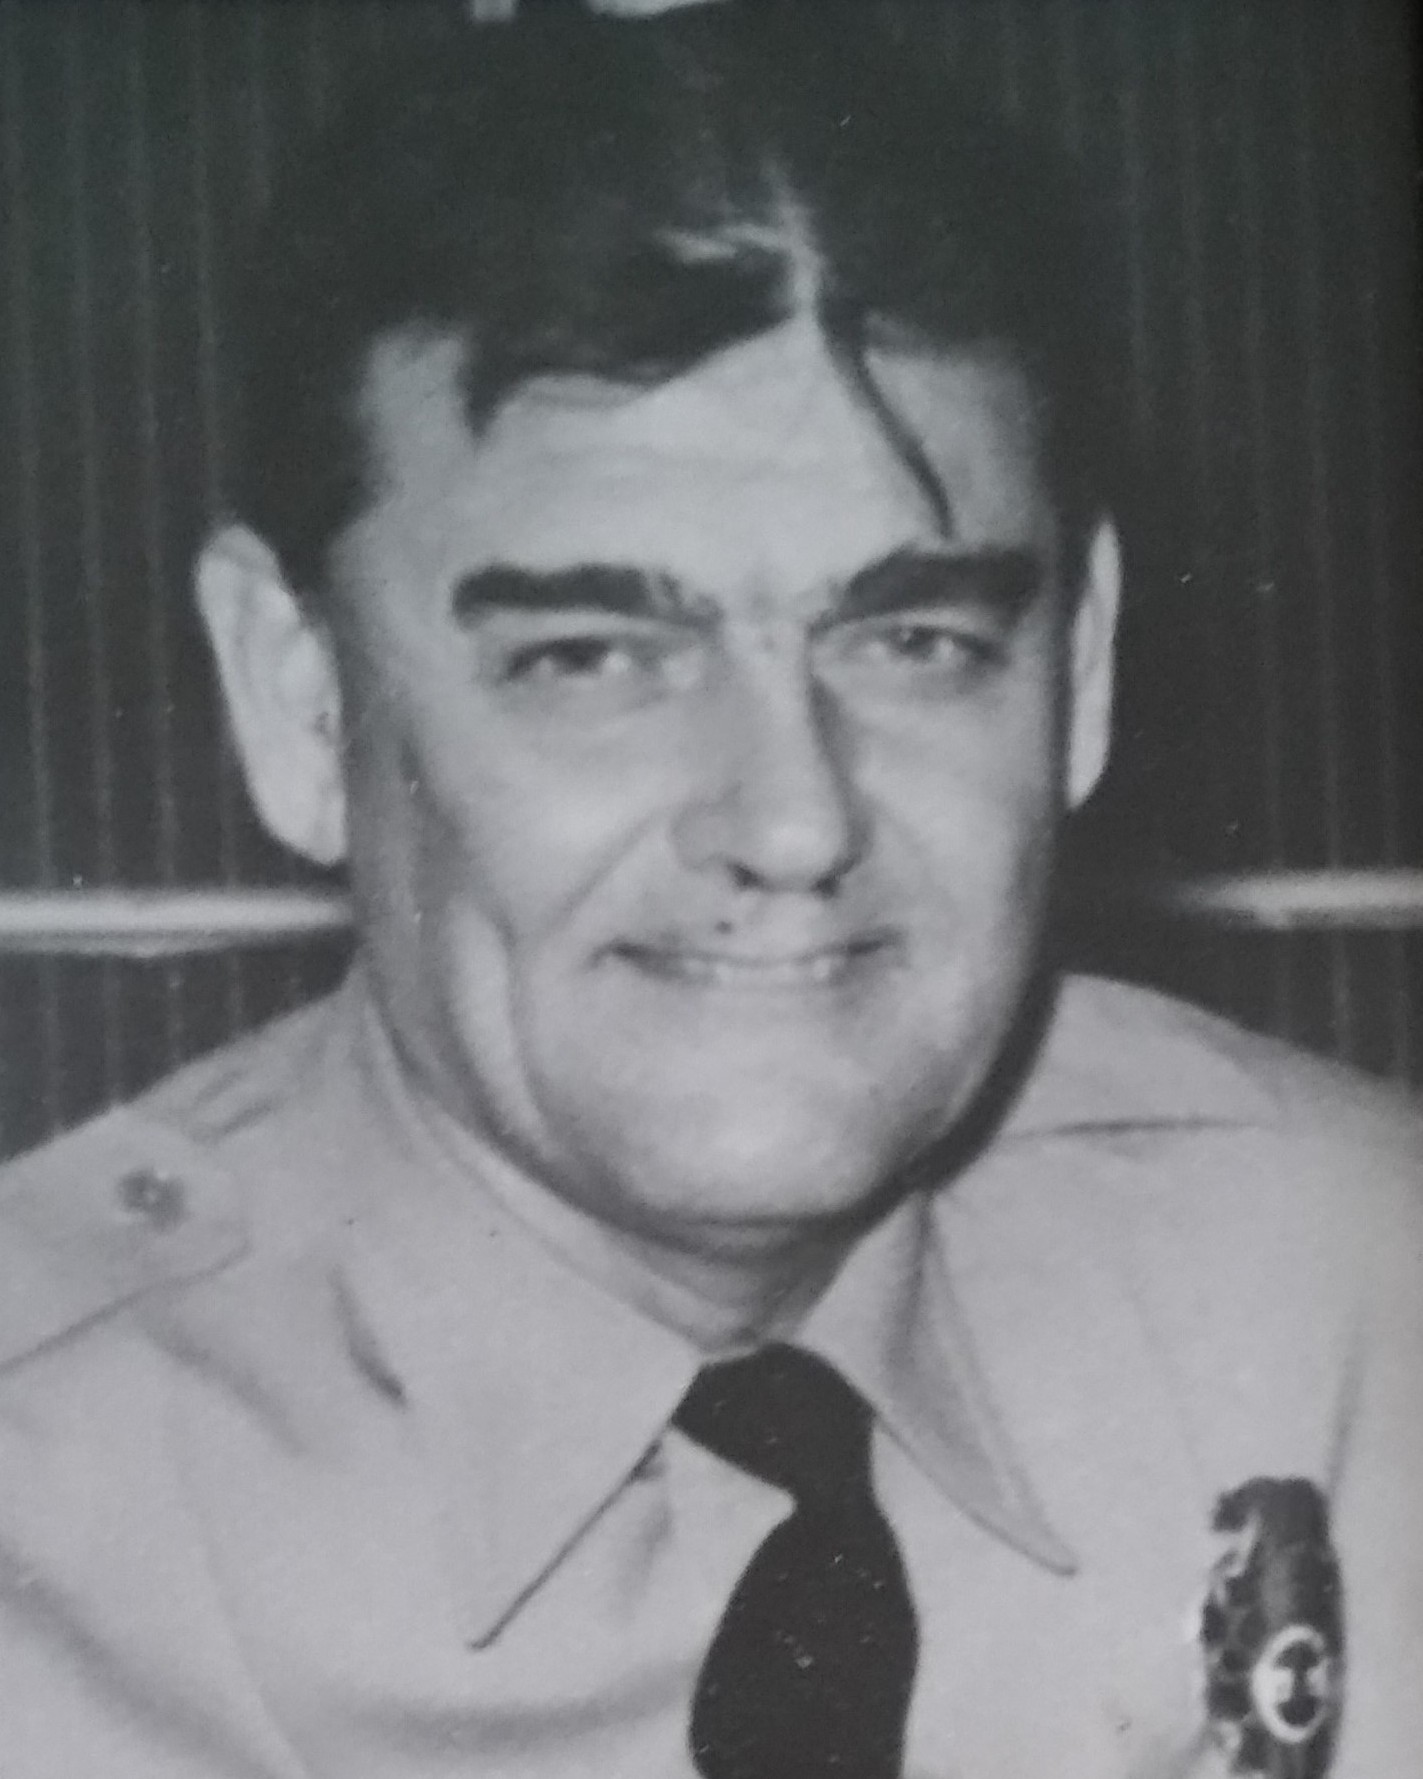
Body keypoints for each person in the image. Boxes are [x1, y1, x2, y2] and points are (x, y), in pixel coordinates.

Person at [1, 5, 1418, 1775]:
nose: (795, 819)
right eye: (592, 658)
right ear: (298, 699)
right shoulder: (43, 1524)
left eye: (915, 641)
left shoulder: (1359, 1311)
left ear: (1083, 668)